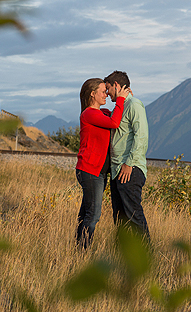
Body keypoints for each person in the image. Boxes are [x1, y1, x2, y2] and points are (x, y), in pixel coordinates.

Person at [75, 77, 130, 249]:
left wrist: (123, 99)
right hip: (90, 170)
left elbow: (112, 115)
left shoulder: (100, 113)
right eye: (102, 91)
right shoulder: (89, 114)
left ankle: (78, 250)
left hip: (95, 171)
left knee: (86, 214)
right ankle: (83, 251)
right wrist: (120, 99)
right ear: (93, 94)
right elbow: (114, 122)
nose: (106, 93)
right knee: (93, 215)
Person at [104, 71, 150, 240]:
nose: (107, 93)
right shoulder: (120, 107)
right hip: (117, 170)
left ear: (116, 85)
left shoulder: (134, 105)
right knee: (120, 218)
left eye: (108, 88)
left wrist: (129, 163)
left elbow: (141, 136)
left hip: (129, 169)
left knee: (134, 215)